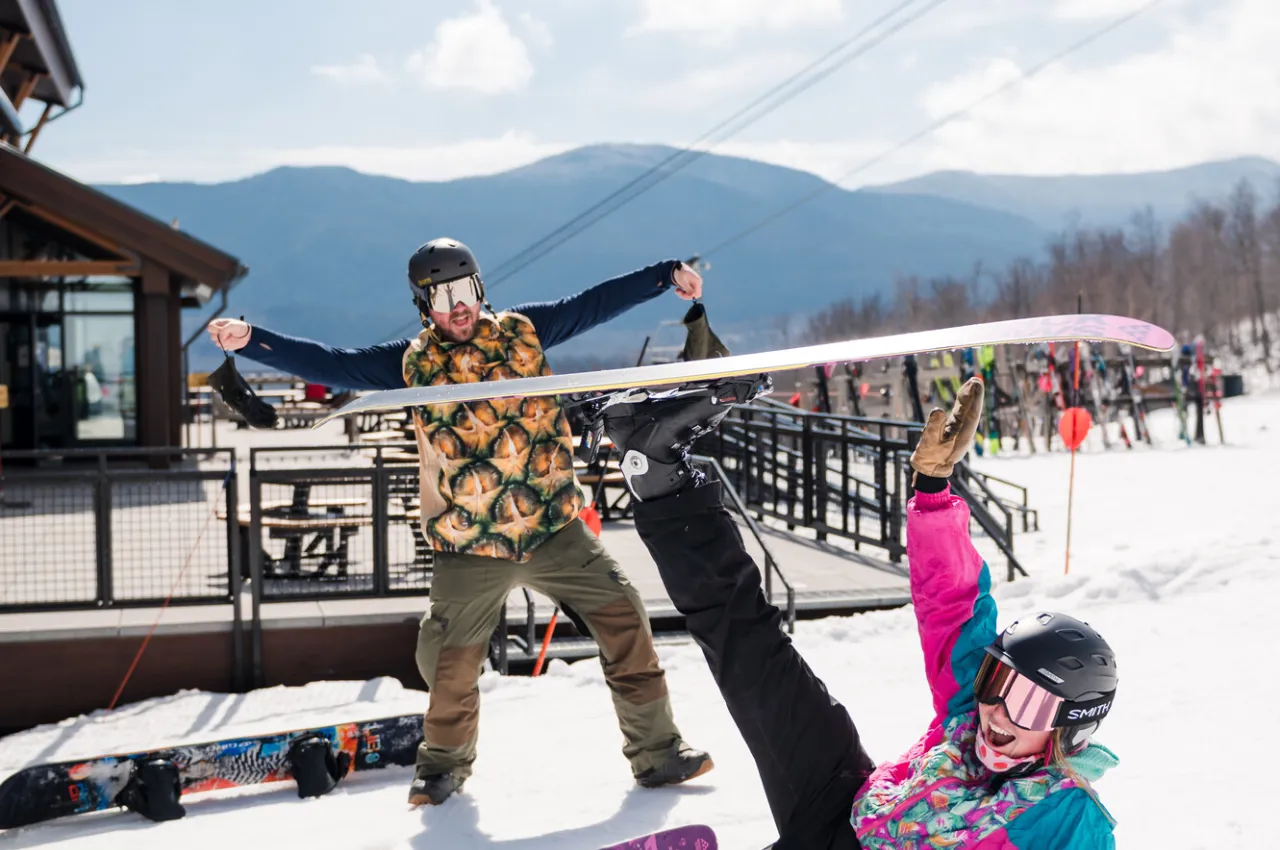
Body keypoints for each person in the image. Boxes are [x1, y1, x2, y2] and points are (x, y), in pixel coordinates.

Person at [208, 238, 714, 806]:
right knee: (448, 660)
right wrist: (253, 341)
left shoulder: (523, 332)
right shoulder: (409, 363)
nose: (458, 306)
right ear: (425, 305)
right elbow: (332, 362)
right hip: (471, 542)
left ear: (480, 290)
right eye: (443, 296)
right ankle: (442, 768)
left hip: (553, 528)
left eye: (465, 290)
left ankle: (658, 754)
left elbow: (592, 303)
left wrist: (662, 275)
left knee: (624, 616)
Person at [593, 375, 1119, 849]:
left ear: (1072, 727)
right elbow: (952, 604)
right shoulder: (969, 715)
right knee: (757, 655)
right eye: (999, 682)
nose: (999, 711)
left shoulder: (1068, 818)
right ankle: (656, 470)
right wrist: (933, 492)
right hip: (853, 803)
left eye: (1029, 702)